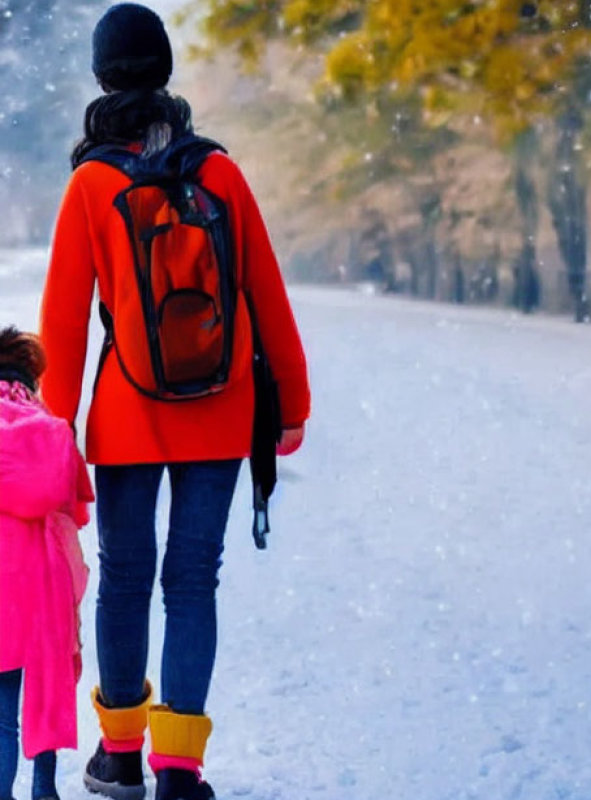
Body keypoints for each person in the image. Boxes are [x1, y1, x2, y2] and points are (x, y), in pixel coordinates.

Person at [38, 4, 311, 800]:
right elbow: (266, 295)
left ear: (102, 76)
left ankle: (119, 752)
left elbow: (61, 321)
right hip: (220, 407)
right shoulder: (218, 172)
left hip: (126, 415)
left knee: (126, 577)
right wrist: (289, 405)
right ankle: (180, 769)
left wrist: (57, 433)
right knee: (194, 580)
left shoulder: (90, 184)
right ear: (164, 72)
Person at [0, 326, 93, 800]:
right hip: (43, 581)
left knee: (0, 713)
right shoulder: (50, 428)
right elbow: (76, 506)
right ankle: (43, 789)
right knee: (44, 694)